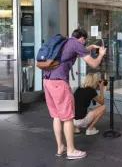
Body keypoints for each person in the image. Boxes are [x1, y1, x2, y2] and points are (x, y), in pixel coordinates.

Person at [43, 29, 106, 160]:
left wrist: (88, 48)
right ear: (82, 39)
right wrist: (100, 54)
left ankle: (61, 147)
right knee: (67, 117)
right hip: (59, 83)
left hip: (47, 81)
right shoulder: (76, 44)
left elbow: (74, 53)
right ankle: (71, 150)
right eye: (84, 42)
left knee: (56, 116)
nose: (83, 44)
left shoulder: (65, 42)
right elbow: (94, 64)